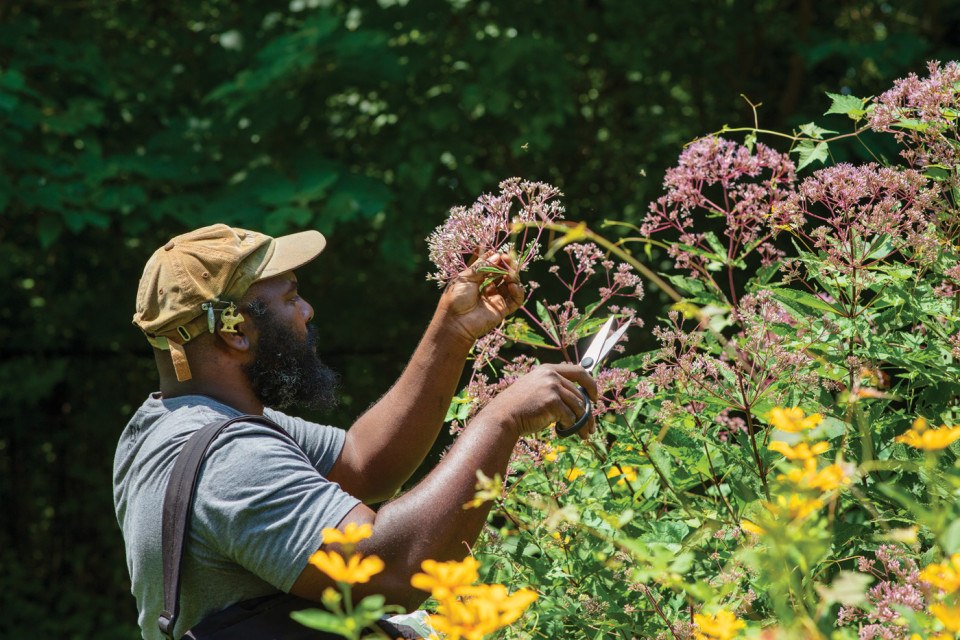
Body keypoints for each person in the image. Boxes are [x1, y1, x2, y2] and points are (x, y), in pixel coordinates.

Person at [113, 223, 597, 639]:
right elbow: (397, 568)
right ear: (235, 331)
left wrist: (453, 329)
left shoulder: (174, 426)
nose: (307, 311)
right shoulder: (232, 462)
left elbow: (364, 462)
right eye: (290, 297)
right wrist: (501, 418)